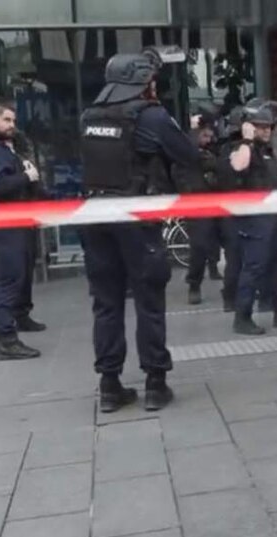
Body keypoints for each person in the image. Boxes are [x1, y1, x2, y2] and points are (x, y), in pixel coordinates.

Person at [79, 49, 199, 413]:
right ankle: (155, 383)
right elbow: (188, 155)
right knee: (149, 301)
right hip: (136, 219)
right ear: (143, 82)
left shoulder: (89, 116)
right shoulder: (152, 116)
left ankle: (109, 386)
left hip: (95, 217)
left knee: (106, 304)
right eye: (151, 79)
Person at [220, 98, 277, 336]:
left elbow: (274, 179)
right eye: (261, 126)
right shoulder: (238, 148)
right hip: (253, 218)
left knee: (275, 265)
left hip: (271, 216)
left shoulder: (265, 151)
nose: (267, 130)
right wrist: (247, 140)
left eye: (269, 126)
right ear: (248, 126)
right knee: (254, 267)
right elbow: (239, 166)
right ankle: (242, 317)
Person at [0, 104, 45, 361]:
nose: (11, 125)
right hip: (5, 226)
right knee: (7, 281)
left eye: (13, 120)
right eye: (6, 120)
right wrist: (27, 177)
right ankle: (7, 340)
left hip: (0, 224)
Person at [183, 119, 230, 305]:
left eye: (210, 136)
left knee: (228, 242)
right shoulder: (187, 152)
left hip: (216, 200)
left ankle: (228, 280)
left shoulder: (212, 150)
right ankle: (194, 284)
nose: (207, 140)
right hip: (197, 203)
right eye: (204, 136)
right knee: (199, 246)